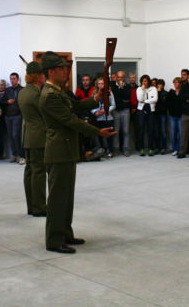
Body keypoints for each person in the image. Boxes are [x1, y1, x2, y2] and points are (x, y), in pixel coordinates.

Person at [39, 51, 115, 254]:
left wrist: (95, 98)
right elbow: (71, 120)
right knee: (57, 198)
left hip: (66, 150)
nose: (66, 72)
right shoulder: (49, 95)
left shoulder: (58, 91)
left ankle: (65, 233)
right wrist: (97, 131)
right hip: (58, 151)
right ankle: (54, 240)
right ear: (52, 71)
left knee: (66, 196)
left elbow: (77, 106)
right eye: (62, 68)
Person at [19, 61, 47, 217]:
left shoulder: (23, 92)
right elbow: (45, 114)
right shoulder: (37, 94)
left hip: (29, 135)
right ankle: (39, 206)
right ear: (38, 76)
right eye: (43, 74)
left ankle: (31, 205)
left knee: (30, 171)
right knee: (38, 172)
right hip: (39, 136)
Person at [2, 73, 24, 164]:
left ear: (18, 79)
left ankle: (20, 155)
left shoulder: (22, 90)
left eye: (14, 78)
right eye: (11, 79)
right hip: (8, 116)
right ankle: (14, 155)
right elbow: (2, 101)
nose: (12, 80)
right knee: (11, 136)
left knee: (16, 135)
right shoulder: (7, 90)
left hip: (17, 115)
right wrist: (7, 101)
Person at [90, 77, 115, 157]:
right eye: (99, 83)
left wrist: (106, 110)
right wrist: (95, 112)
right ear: (97, 85)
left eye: (102, 83)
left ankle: (110, 151)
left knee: (109, 135)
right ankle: (101, 150)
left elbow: (113, 105)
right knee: (100, 134)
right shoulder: (94, 93)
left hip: (108, 117)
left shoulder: (109, 92)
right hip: (98, 118)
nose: (101, 85)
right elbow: (90, 105)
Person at [111, 70, 132, 156]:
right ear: (116, 77)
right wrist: (122, 101)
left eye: (122, 77)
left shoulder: (127, 86)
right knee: (116, 131)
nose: (120, 79)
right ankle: (116, 149)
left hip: (125, 111)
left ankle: (126, 149)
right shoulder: (113, 86)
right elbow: (115, 99)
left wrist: (122, 88)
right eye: (119, 77)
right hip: (116, 111)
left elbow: (127, 97)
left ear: (124, 77)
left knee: (126, 131)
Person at [136, 75, 158, 156]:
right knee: (141, 130)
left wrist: (145, 101)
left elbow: (155, 100)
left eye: (145, 81)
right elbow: (140, 99)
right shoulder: (139, 89)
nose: (144, 82)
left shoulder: (153, 88)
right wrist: (142, 89)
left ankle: (150, 148)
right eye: (143, 81)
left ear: (148, 81)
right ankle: (141, 148)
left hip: (151, 111)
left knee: (150, 130)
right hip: (141, 111)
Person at [167, 77, 184, 156]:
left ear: (180, 84)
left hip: (180, 115)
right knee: (173, 133)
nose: (176, 84)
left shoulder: (183, 92)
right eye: (175, 82)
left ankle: (178, 148)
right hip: (172, 115)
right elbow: (168, 103)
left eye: (177, 82)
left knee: (180, 133)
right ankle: (174, 149)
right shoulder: (171, 92)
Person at [154, 79, 168, 154]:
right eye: (158, 84)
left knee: (163, 131)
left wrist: (159, 93)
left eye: (161, 84)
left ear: (163, 85)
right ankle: (157, 147)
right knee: (156, 131)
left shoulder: (165, 93)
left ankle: (163, 147)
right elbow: (154, 101)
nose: (159, 86)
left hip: (163, 114)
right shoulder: (154, 92)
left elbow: (163, 102)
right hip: (155, 114)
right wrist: (157, 93)